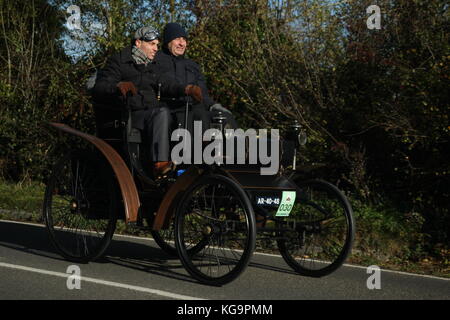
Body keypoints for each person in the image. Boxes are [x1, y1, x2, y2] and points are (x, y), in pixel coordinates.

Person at [92, 26, 202, 177]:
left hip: (148, 113)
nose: (156, 48)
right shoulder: (119, 61)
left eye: (157, 44)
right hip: (127, 116)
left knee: (180, 115)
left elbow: (166, 83)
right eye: (152, 44)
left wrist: (187, 89)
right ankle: (160, 164)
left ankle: (184, 166)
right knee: (162, 113)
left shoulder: (152, 65)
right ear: (138, 43)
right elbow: (101, 87)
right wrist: (118, 86)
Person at [155, 22, 237, 133]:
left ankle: (238, 148)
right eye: (177, 39)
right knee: (198, 118)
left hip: (194, 108)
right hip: (172, 109)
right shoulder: (157, 60)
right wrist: (186, 89)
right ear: (168, 41)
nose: (182, 43)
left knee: (225, 117)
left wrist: (214, 106)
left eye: (184, 40)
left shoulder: (192, 65)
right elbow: (165, 84)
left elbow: (203, 94)